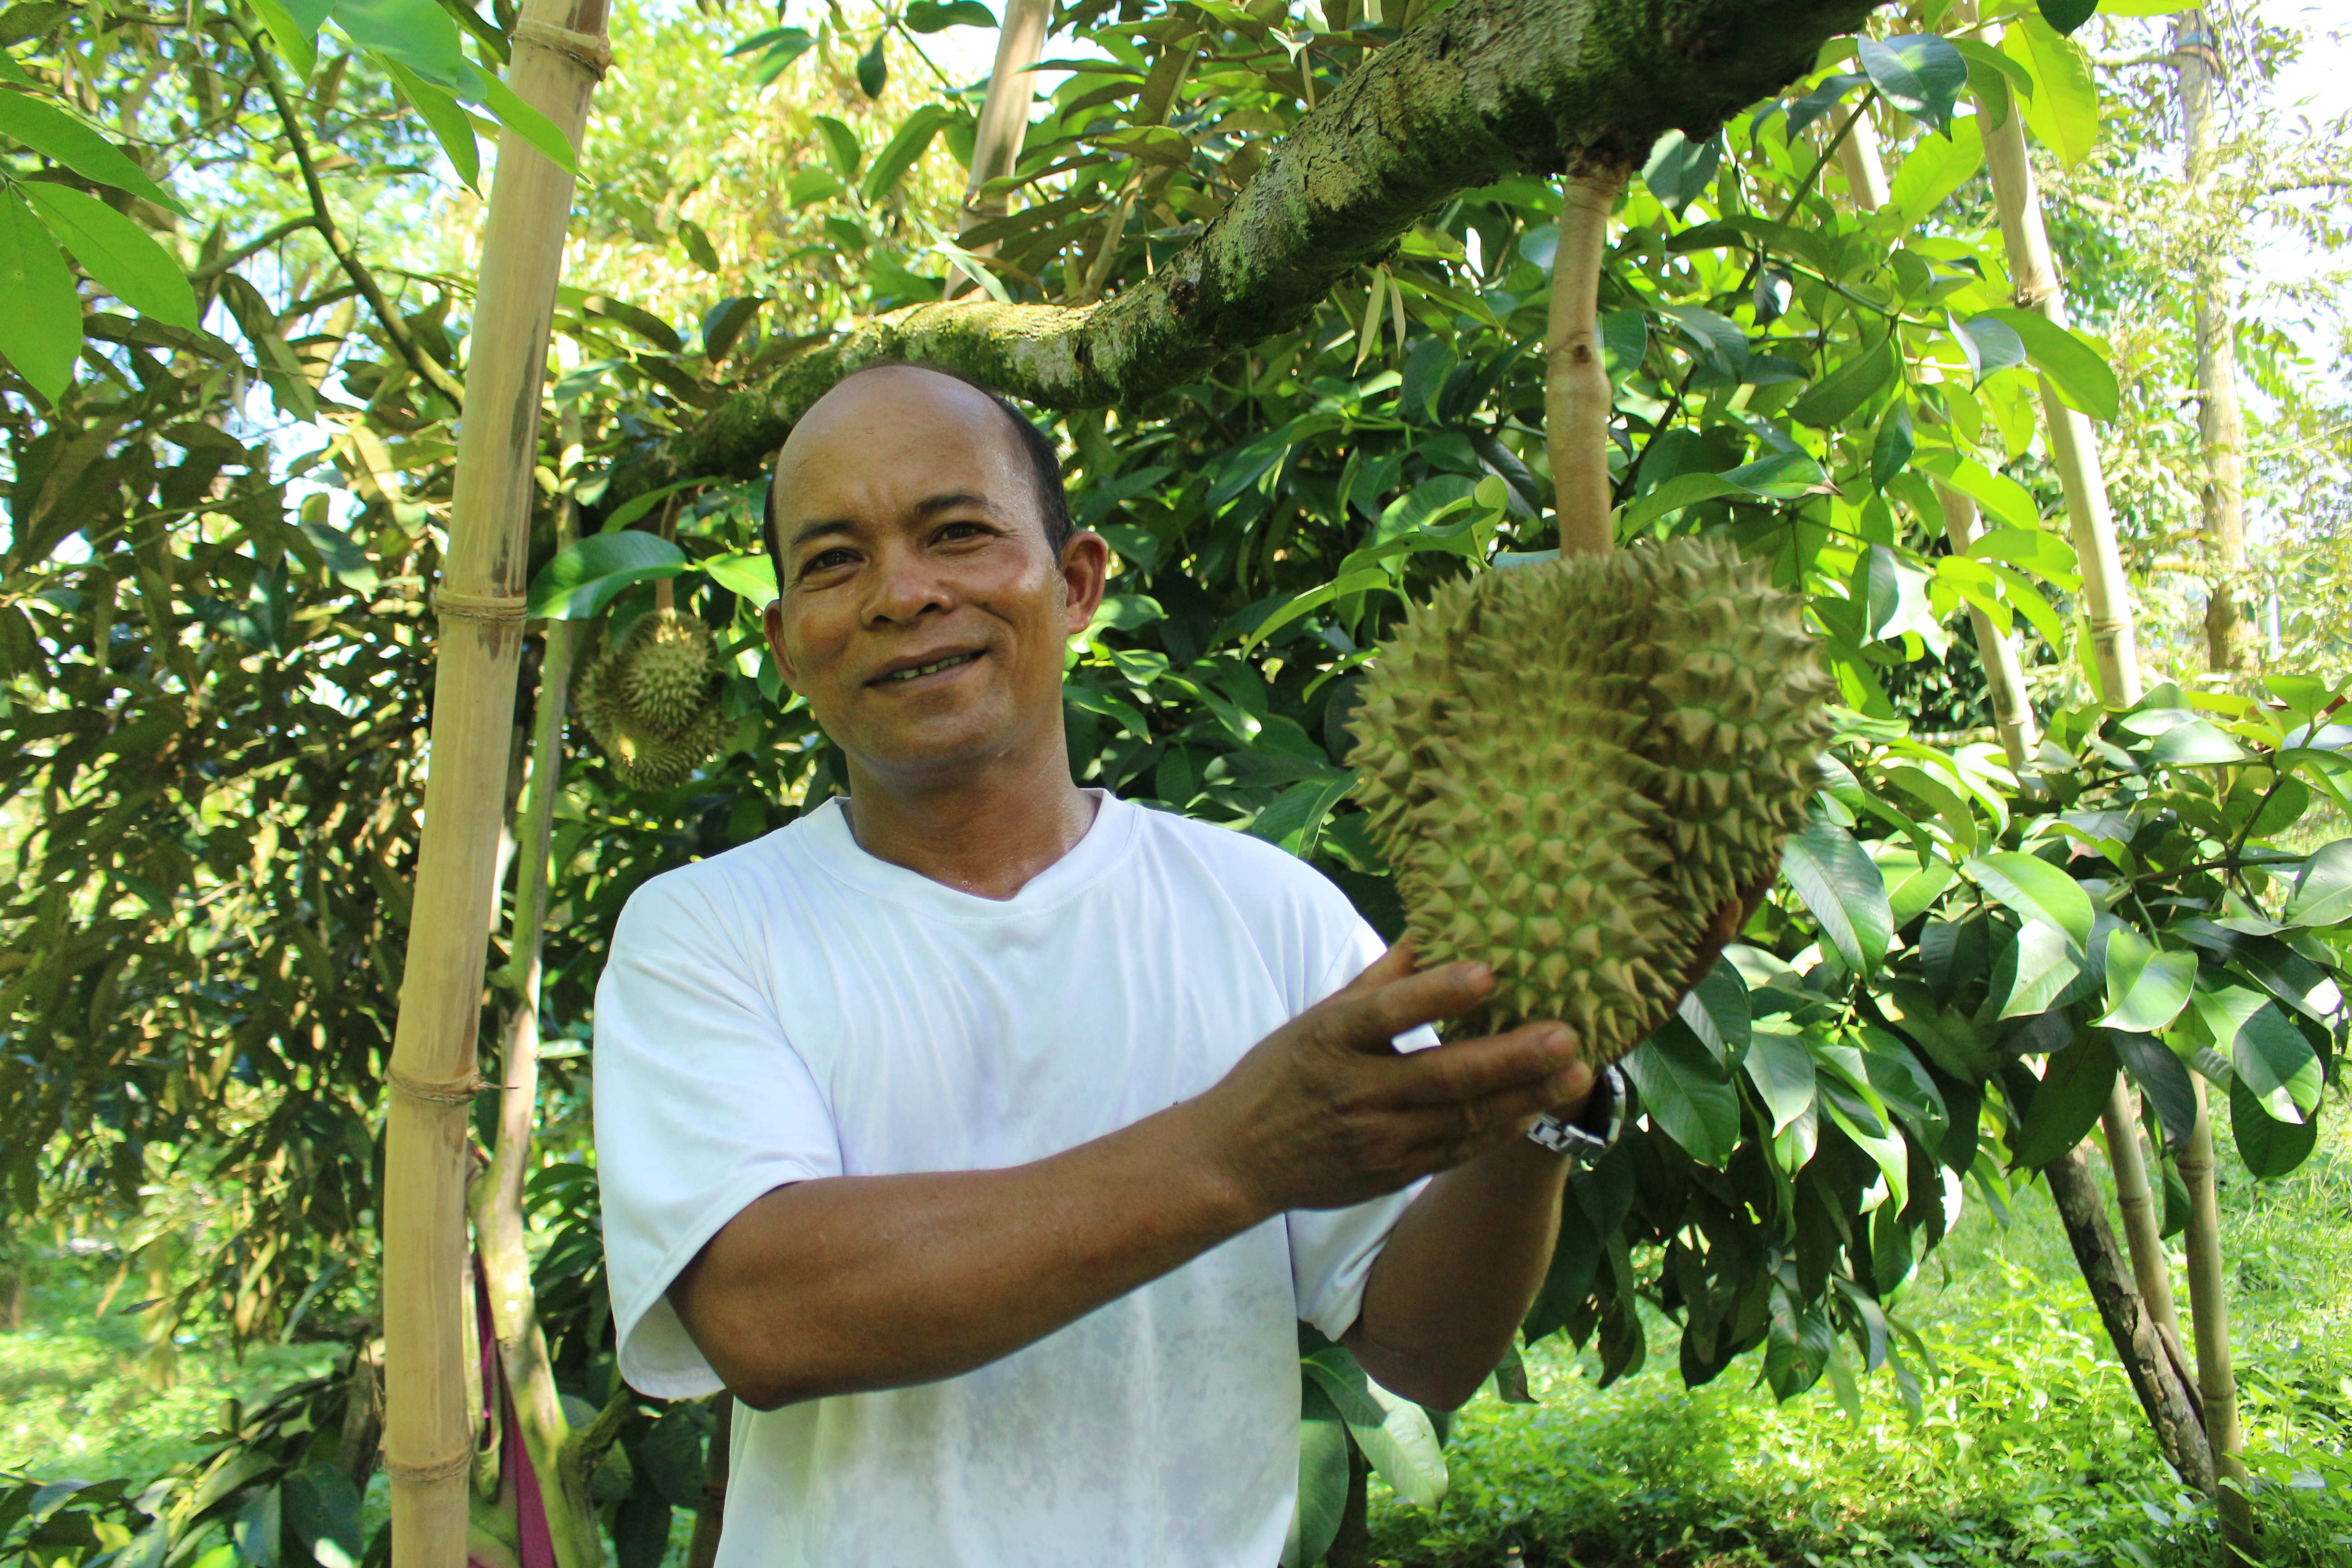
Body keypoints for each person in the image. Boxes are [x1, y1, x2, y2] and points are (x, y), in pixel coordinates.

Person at [593, 363, 1693, 1568]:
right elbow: (767, 1316)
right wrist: (1239, 1148)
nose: (903, 594)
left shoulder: (1268, 910)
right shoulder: (706, 930)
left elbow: (1421, 1351)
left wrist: (1544, 1083)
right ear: (787, 645)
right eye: (835, 562)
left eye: (956, 533)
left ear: (1075, 584)